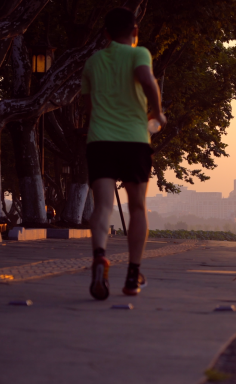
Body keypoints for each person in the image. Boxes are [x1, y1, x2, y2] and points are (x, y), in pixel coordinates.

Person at [81, 7, 166, 300]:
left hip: (100, 141)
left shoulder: (92, 63)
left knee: (102, 206)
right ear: (135, 31)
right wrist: (157, 112)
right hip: (133, 140)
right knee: (138, 208)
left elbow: (89, 107)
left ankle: (100, 255)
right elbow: (145, 78)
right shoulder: (138, 53)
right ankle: (132, 275)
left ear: (105, 34)